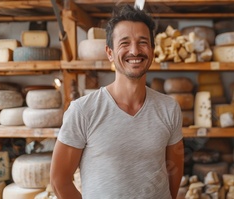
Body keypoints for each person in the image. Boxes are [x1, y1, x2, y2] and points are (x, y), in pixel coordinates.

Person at [50, 4, 184, 199]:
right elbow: (59, 180)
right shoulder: (83, 110)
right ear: (110, 52)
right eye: (124, 43)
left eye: (143, 42)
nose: (134, 50)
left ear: (153, 51)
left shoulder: (169, 108)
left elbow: (174, 169)